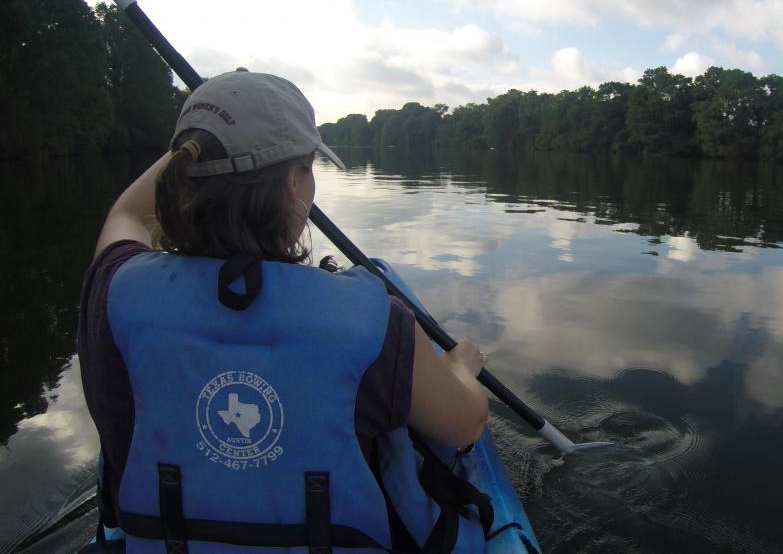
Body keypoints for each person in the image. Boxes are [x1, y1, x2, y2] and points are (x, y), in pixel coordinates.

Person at [78, 69, 491, 552]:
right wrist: (458, 367)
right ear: (295, 186)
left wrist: (201, 140)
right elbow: (466, 425)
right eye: (309, 167)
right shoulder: (375, 321)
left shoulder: (115, 292)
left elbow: (128, 213)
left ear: (180, 175)